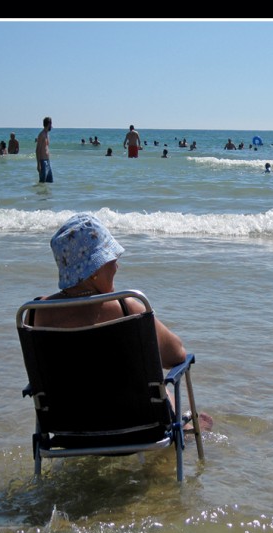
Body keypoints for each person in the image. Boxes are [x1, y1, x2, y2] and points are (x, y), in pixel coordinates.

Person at [33, 213, 213, 431]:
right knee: (158, 387)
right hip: (139, 427)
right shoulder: (127, 307)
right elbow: (177, 355)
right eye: (111, 260)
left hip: (70, 428)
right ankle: (185, 429)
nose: (116, 266)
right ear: (94, 271)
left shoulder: (36, 313)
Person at [36, 116, 53, 182]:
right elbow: (37, 150)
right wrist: (38, 164)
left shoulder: (47, 134)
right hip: (42, 161)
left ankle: (47, 192)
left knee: (49, 181)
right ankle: (40, 192)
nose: (51, 126)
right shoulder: (41, 134)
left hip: (47, 161)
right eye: (51, 124)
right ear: (48, 124)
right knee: (42, 182)